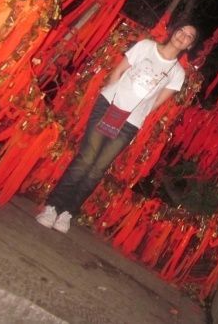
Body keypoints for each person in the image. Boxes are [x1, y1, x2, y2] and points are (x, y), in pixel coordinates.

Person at [35, 25, 198, 233]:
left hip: (130, 122)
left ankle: (67, 211)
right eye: (181, 31)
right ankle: (52, 207)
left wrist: (135, 114)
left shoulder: (177, 73)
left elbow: (157, 102)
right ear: (174, 32)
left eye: (189, 37)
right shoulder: (146, 47)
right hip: (109, 106)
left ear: (190, 45)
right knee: (86, 158)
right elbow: (118, 71)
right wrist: (111, 99)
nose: (183, 36)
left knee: (98, 168)